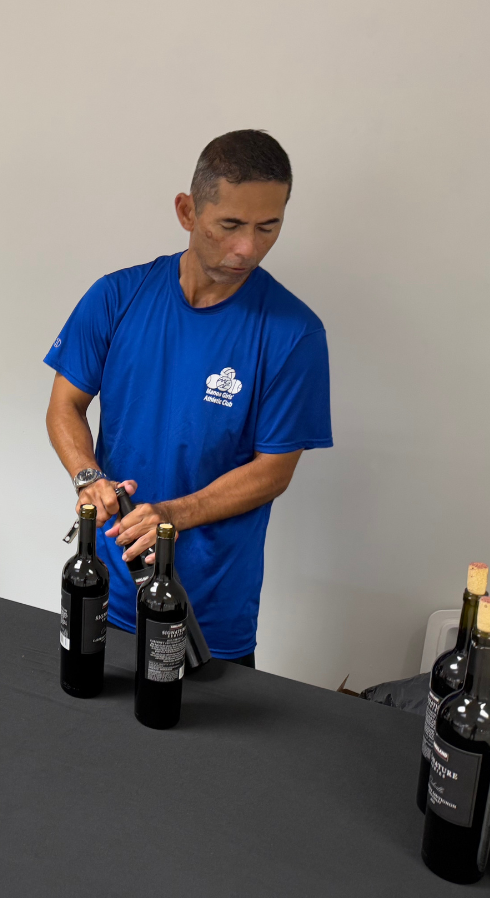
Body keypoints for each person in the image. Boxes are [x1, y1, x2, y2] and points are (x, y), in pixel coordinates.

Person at [44, 130, 331, 667]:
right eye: (231, 225)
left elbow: (274, 472)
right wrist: (87, 476)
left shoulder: (295, 333)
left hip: (210, 611)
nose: (248, 248)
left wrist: (170, 516)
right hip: (106, 588)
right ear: (187, 211)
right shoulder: (117, 296)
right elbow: (65, 406)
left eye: (268, 227)